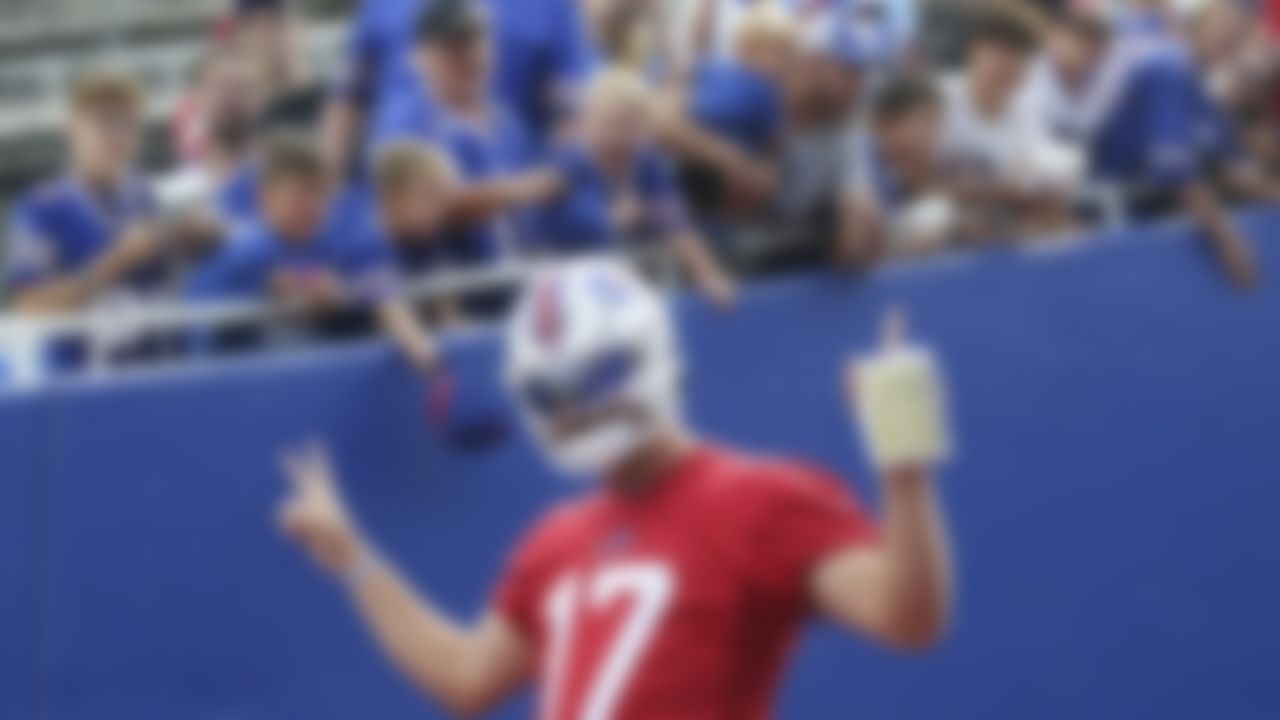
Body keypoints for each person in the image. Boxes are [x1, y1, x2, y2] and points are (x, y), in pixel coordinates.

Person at [278, 258, 954, 719]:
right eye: (552, 394)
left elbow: (908, 617)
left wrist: (904, 470)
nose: (575, 410)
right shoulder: (555, 539)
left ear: (648, 355)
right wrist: (352, 558)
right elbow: (465, 677)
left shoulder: (762, 499)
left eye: (594, 379)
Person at [1036, 8, 1260, 289]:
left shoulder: (1199, 86)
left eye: (1238, 33)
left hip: (1149, 218)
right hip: (1113, 222)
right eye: (1223, 28)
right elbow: (1175, 174)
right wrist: (1228, 241)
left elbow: (1231, 167)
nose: (1230, 38)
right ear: (1195, 28)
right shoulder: (1167, 68)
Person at [187, 134, 439, 372]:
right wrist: (330, 288)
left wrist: (418, 345)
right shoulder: (248, 245)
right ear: (265, 197)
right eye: (300, 194)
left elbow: (379, 286)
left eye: (320, 195)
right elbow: (290, 281)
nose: (311, 206)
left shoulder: (334, 241)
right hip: (219, 372)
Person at [527, 68, 738, 306]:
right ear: (587, 123)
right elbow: (558, 227)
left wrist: (708, 274)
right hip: (562, 293)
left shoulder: (647, 163)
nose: (619, 136)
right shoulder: (568, 163)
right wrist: (609, 219)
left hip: (620, 291)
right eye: (609, 123)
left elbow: (675, 222)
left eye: (630, 124)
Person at [373, 0, 554, 266]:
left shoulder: (508, 121)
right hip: (452, 291)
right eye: (453, 46)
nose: (468, 55)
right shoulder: (408, 123)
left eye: (476, 41)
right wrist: (524, 189)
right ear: (422, 56)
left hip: (522, 277)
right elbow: (417, 209)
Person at [323, 0, 596, 172]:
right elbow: (348, 102)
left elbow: (572, 113)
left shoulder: (549, 7)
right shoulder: (382, 7)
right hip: (398, 191)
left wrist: (564, 181)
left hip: (504, 166)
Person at [6, 72, 167, 314]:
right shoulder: (43, 206)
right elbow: (28, 304)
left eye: (127, 124)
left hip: (159, 348)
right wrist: (116, 261)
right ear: (71, 130)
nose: (117, 137)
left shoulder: (149, 196)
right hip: (79, 348)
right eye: (105, 122)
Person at [938, 10, 1081, 239]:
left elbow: (1036, 194)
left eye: (1020, 58)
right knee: (933, 218)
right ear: (973, 50)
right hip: (943, 235)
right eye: (1002, 55)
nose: (1010, 68)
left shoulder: (1027, 115)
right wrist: (1000, 192)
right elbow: (916, 189)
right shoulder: (937, 101)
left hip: (1003, 232)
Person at [656, 2, 797, 218]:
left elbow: (774, 142)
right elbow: (775, 139)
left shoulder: (766, 91)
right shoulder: (728, 74)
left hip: (717, 170)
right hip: (695, 148)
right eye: (772, 52)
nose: (779, 62)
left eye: (785, 54)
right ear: (745, 49)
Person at [838, 76, 963, 269]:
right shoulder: (854, 155)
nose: (934, 136)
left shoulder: (901, 169)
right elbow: (856, 243)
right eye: (926, 123)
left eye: (937, 125)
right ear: (888, 123)